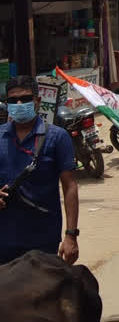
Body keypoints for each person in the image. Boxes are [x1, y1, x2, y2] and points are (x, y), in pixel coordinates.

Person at [0, 76, 79, 265]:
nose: (19, 104)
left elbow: (70, 187)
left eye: (25, 99)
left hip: (43, 237)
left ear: (37, 101)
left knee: (42, 293)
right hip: (4, 237)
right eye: (13, 100)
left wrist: (71, 236)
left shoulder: (57, 137)